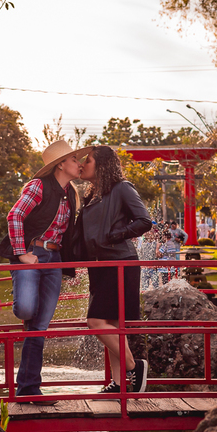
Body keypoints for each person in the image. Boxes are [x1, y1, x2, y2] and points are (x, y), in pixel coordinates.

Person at [0, 140, 84, 400]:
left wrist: (72, 265)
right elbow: (15, 215)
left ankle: (29, 388)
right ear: (61, 164)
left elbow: (68, 234)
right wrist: (22, 253)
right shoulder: (38, 186)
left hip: (54, 259)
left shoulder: (71, 194)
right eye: (75, 160)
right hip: (32, 255)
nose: (79, 164)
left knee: (39, 328)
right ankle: (23, 302)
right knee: (25, 309)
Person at [77, 145, 152, 395]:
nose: (82, 165)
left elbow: (144, 221)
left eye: (86, 161)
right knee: (113, 325)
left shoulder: (122, 188)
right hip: (99, 265)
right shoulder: (91, 195)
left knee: (95, 321)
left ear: (101, 164)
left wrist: (113, 236)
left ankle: (134, 366)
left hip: (119, 262)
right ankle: (120, 385)